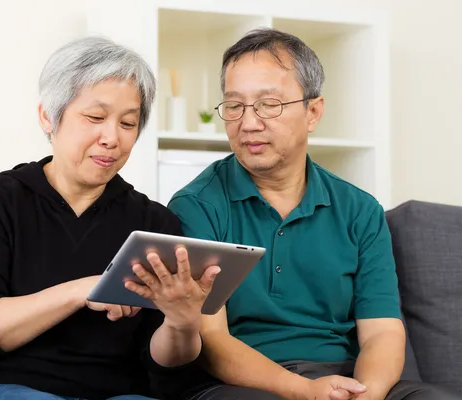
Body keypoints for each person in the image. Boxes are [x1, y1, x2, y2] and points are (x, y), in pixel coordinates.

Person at [167, 28, 460, 400]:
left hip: (342, 377)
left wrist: (363, 394)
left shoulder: (360, 210)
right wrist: (304, 391)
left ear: (313, 112)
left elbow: (383, 332)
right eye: (235, 105)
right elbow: (211, 341)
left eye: (269, 104)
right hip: (240, 383)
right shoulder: (197, 206)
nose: (248, 123)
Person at [0, 36, 220, 400]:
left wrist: (181, 322)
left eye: (128, 123)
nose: (111, 138)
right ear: (48, 117)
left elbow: (165, 369)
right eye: (95, 118)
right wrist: (81, 291)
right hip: (1, 388)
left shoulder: (154, 223)